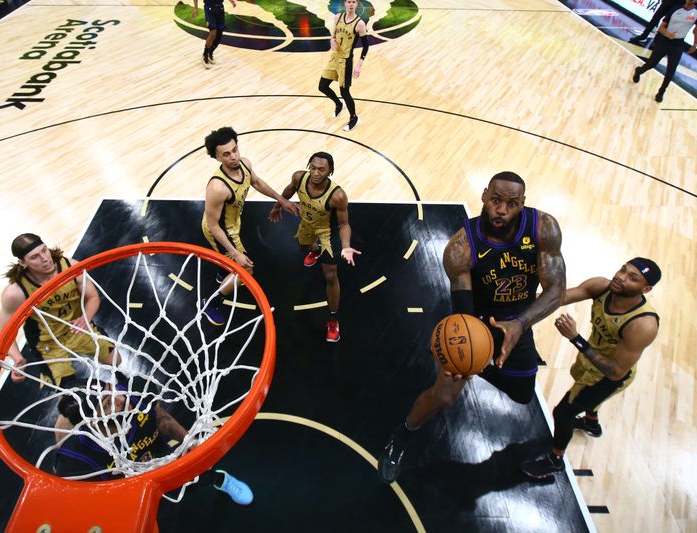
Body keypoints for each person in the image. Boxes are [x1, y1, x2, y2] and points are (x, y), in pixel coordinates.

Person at [377, 171, 566, 483]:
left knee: (522, 393)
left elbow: (556, 290)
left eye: (511, 203)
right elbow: (464, 313)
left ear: (522, 204)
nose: (501, 210)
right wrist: (465, 354)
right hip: (475, 319)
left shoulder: (544, 228)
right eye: (495, 200)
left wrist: (519, 324)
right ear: (483, 196)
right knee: (445, 395)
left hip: (518, 319)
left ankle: (482, 365)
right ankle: (402, 435)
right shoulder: (461, 247)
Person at [521, 259, 661, 480]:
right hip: (591, 358)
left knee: (563, 413)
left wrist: (575, 338)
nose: (621, 277)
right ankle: (590, 423)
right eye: (623, 269)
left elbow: (616, 371)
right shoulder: (602, 286)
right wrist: (524, 302)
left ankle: (555, 460)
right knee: (582, 396)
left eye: (632, 278)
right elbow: (559, 298)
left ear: (646, 289)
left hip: (609, 376)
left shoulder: (643, 325)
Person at [54, 380, 254, 505]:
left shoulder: (135, 393)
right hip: (133, 489)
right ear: (92, 423)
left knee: (195, 477)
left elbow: (161, 418)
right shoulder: (77, 459)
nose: (120, 398)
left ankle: (220, 479)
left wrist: (190, 441)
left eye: (111, 389)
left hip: (159, 456)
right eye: (108, 403)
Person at [201, 126, 299, 325]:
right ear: (217, 158)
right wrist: (235, 253)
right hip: (220, 230)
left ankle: (223, 272)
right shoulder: (217, 187)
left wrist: (282, 200)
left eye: (235, 150)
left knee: (234, 262)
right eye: (226, 154)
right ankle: (209, 303)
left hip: (233, 222)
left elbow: (256, 182)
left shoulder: (244, 164)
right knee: (246, 271)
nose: (234, 157)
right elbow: (213, 226)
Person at [0, 233, 120, 386]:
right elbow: (4, 334)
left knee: (116, 361)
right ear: (23, 263)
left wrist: (85, 318)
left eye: (44, 250)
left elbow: (93, 297)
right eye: (35, 257)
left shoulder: (70, 267)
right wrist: (17, 359)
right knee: (68, 393)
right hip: (49, 343)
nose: (44, 259)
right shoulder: (15, 293)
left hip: (78, 327)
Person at [268, 151, 361, 342]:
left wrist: (345, 246)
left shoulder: (338, 196)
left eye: (321, 169)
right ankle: (316, 251)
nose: (316, 173)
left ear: (330, 172)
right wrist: (278, 206)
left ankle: (333, 319)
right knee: (304, 247)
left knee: (330, 276)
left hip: (328, 233)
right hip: (307, 223)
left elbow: (344, 224)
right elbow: (289, 190)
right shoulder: (299, 177)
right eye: (313, 167)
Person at [632, 0, 697, 102]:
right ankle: (639, 71)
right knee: (651, 64)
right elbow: (661, 27)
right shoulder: (674, 9)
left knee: (671, 71)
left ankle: (661, 92)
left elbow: (695, 30)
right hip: (665, 41)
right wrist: (667, 34)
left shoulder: (695, 13)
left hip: (678, 45)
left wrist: (694, 45)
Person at [318, 0, 369, 132]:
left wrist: (359, 65)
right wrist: (331, 40)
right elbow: (333, 35)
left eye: (353, 2)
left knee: (345, 92)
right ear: (345, 4)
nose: (351, 4)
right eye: (348, 1)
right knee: (322, 86)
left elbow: (366, 46)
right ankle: (338, 104)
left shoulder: (360, 24)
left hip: (345, 62)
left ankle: (354, 118)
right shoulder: (337, 17)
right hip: (334, 58)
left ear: (356, 4)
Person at [192, 0, 236, 69]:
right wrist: (195, 8)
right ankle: (204, 55)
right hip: (209, 9)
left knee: (219, 35)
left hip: (220, 8)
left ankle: (210, 53)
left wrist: (232, 1)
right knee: (213, 34)